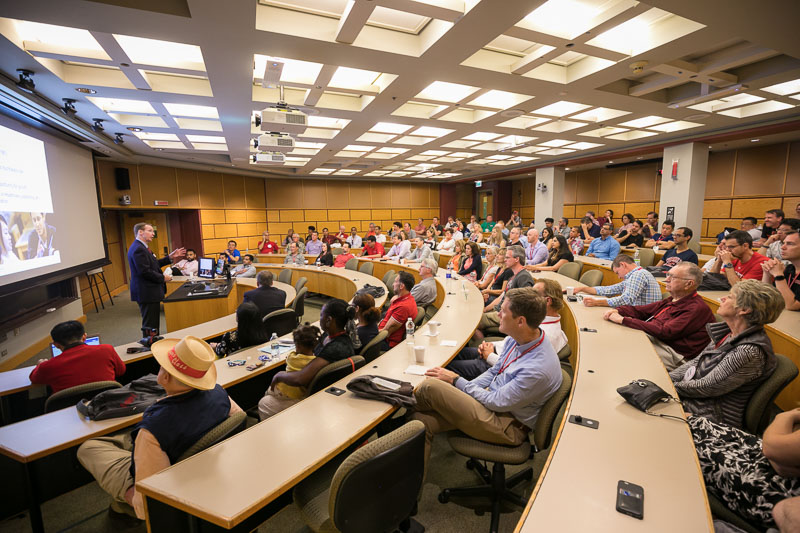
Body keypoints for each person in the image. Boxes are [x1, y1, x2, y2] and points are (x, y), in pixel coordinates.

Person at [77, 336, 241, 519]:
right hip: (204, 467)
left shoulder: (151, 431)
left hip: (170, 477)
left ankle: (123, 503)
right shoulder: (220, 393)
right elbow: (239, 419)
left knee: (88, 447)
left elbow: (151, 500)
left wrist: (138, 502)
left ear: (165, 376)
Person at [412, 287, 562, 468]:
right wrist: (463, 390)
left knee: (432, 387)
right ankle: (412, 494)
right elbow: (494, 372)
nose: (498, 314)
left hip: (507, 425)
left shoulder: (537, 368)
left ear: (520, 321)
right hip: (493, 403)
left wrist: (456, 381)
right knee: (420, 423)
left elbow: (495, 402)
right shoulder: (519, 339)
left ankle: (397, 402)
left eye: (503, 311)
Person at [670, 279, 784, 428]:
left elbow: (707, 387)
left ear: (744, 310)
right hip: (691, 399)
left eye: (730, 297)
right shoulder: (728, 333)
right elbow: (695, 363)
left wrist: (668, 385)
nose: (722, 299)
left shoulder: (749, 351)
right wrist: (666, 378)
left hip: (713, 417)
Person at [688, 411, 800, 531]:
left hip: (776, 489)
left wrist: (785, 417)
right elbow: (779, 454)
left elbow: (774, 449)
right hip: (760, 452)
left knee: (684, 439)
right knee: (690, 420)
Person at [448, 279, 568, 379]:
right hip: (496, 352)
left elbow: (516, 368)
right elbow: (510, 343)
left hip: (495, 365)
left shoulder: (548, 335)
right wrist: (489, 345)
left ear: (547, 301)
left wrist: (489, 356)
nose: (530, 296)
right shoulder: (539, 321)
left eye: (535, 293)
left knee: (447, 366)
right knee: (453, 353)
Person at [603, 263, 714, 370]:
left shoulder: (696, 308)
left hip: (676, 355)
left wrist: (623, 320)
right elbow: (642, 311)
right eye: (668, 275)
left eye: (673, 277)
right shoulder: (673, 299)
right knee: (617, 341)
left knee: (625, 352)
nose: (666, 280)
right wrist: (617, 310)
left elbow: (665, 332)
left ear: (689, 284)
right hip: (659, 341)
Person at [29, 320, 125, 393]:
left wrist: (39, 365)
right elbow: (121, 371)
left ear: (56, 344)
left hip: (69, 412)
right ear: (84, 337)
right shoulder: (107, 349)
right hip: (108, 404)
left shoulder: (47, 366)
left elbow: (34, 379)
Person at [127, 222, 184, 340]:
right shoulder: (138, 249)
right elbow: (145, 272)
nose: (153, 234)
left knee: (152, 323)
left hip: (148, 291)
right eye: (150, 231)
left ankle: (153, 342)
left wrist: (169, 258)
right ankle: (150, 346)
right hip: (146, 292)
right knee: (150, 324)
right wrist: (163, 278)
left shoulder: (142, 247)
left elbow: (154, 264)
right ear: (140, 232)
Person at [257, 323, 320, 419]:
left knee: (267, 395)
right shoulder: (315, 361)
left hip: (285, 393)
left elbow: (288, 359)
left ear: (297, 346)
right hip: (301, 394)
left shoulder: (292, 358)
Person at [476, 246, 535, 336]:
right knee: (476, 316)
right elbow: (501, 297)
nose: (504, 260)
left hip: (506, 315)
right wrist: (485, 309)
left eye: (507, 257)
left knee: (474, 320)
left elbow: (526, 304)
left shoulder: (524, 277)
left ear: (517, 259)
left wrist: (503, 313)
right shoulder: (513, 276)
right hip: (499, 311)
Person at [575, 254, 662, 308]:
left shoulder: (638, 275)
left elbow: (626, 299)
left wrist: (597, 302)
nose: (619, 277)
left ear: (623, 265)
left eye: (617, 272)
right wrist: (582, 289)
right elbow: (610, 289)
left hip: (643, 318)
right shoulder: (635, 275)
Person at [762, 230, 800, 311]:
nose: (782, 247)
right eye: (784, 243)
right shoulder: (790, 269)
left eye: (790, 244)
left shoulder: (783, 271)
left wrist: (778, 275)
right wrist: (767, 273)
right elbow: (767, 298)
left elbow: (792, 306)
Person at [379, 271, 418, 348]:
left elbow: (386, 332)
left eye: (395, 281)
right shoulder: (407, 298)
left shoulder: (403, 308)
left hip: (385, 341)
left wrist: (368, 332)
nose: (393, 284)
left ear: (401, 286)